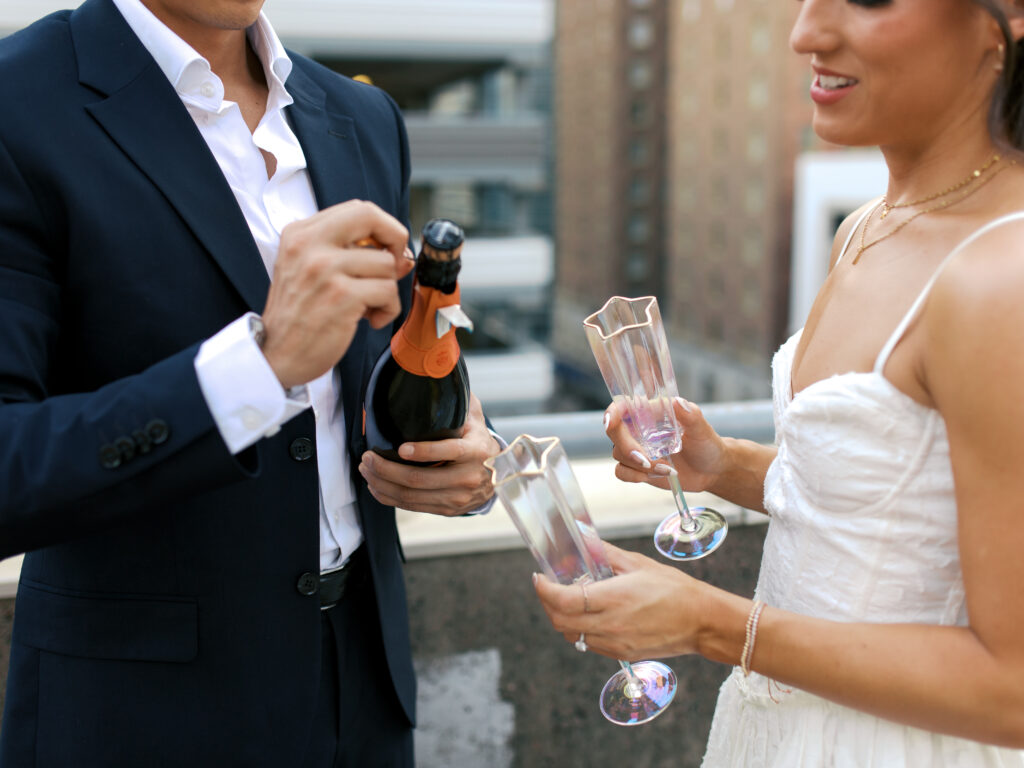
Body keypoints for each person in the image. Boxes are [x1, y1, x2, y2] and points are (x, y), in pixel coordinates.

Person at [0, 0, 500, 765]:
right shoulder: (18, 103)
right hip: (142, 725)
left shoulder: (362, 116)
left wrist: (463, 448)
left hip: (364, 702)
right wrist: (258, 366)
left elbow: (390, 362)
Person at [534, 0, 1024, 764]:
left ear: (1005, 20)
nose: (806, 34)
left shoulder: (1003, 279)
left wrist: (711, 623)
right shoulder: (868, 225)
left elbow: (1013, 690)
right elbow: (886, 515)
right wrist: (720, 464)